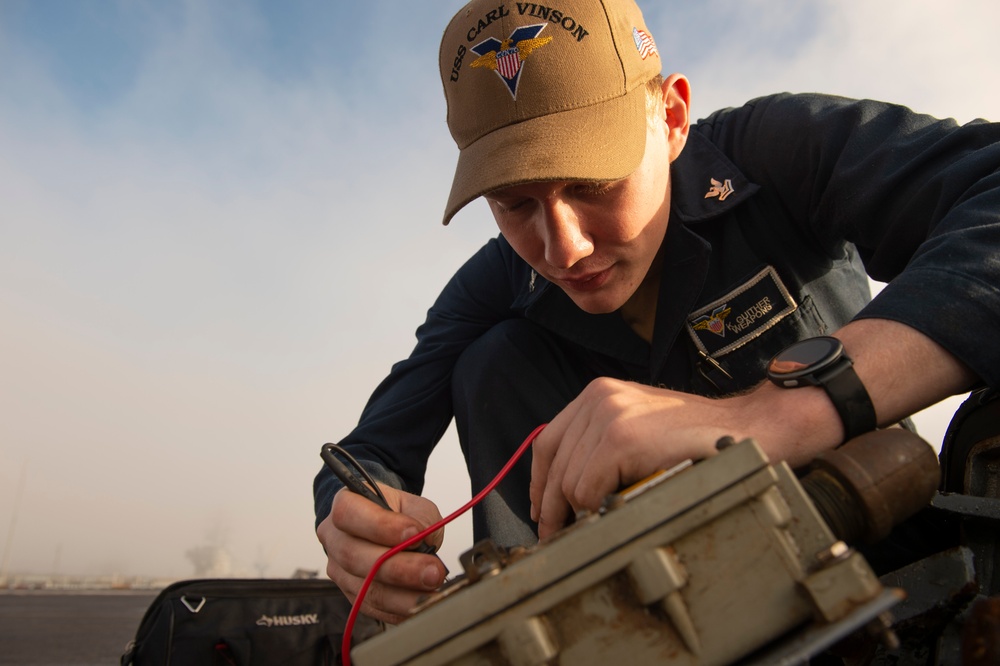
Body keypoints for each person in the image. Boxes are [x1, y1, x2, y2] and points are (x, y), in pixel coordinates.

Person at [314, 0, 999, 624]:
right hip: (650, 615)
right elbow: (371, 450)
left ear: (670, 119)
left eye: (594, 181)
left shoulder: (776, 153)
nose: (564, 248)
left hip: (886, 551)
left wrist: (775, 413)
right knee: (488, 358)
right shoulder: (498, 282)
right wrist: (352, 519)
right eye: (514, 204)